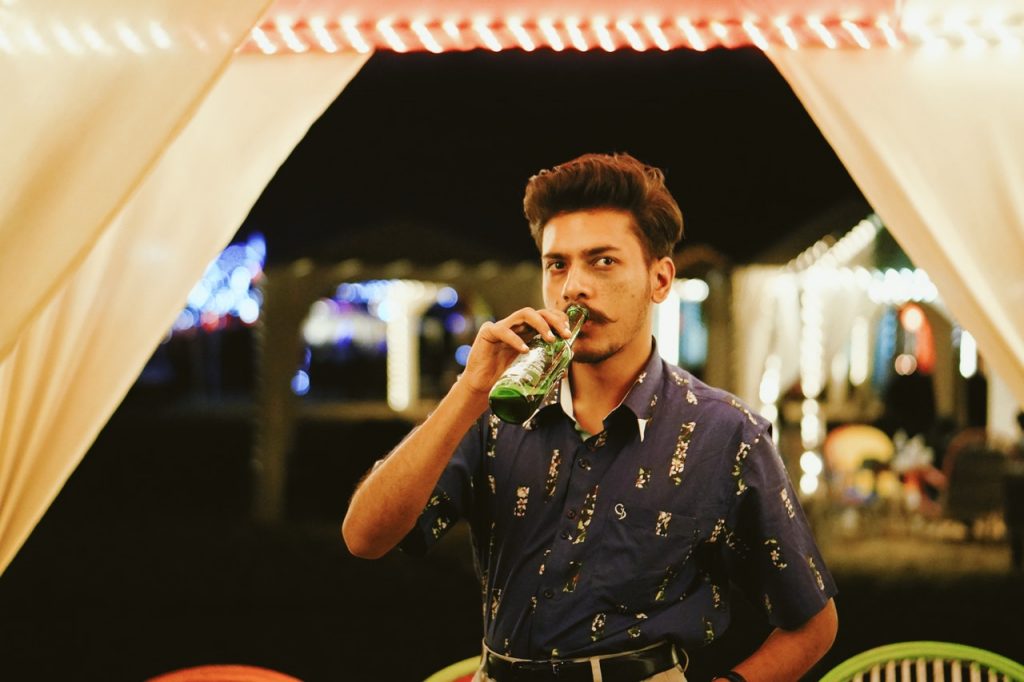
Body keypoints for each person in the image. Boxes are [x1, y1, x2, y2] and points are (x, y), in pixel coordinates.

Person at [343, 153, 838, 682]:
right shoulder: (493, 415)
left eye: (603, 261)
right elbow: (365, 538)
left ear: (660, 279)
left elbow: (813, 623)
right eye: (557, 264)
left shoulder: (724, 433)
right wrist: (469, 392)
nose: (573, 286)